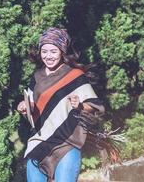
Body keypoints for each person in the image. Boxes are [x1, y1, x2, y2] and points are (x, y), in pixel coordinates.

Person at [17, 27, 105, 182]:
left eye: (53, 51)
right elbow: (32, 112)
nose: (48, 56)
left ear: (62, 52)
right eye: (44, 51)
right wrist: (24, 108)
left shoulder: (74, 76)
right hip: (39, 144)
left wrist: (80, 105)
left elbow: (95, 106)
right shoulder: (37, 77)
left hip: (66, 143)